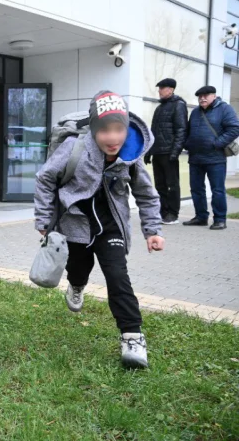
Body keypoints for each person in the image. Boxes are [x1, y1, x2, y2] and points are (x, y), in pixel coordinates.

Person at [34, 90, 164, 369]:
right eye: (105, 130)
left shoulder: (131, 154)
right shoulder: (74, 148)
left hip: (111, 227)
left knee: (117, 276)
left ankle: (132, 335)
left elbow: (145, 192)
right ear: (94, 129)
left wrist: (152, 229)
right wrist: (44, 221)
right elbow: (45, 178)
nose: (113, 137)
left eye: (119, 129)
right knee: (79, 269)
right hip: (75, 225)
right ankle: (77, 285)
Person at [182, 86, 239, 230]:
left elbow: (234, 128)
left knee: (217, 190)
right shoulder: (195, 112)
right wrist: (188, 144)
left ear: (214, 96)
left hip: (215, 158)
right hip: (195, 158)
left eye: (205, 95)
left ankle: (220, 219)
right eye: (199, 96)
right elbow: (188, 131)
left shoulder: (224, 109)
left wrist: (217, 144)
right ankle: (201, 217)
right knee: (196, 189)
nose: (202, 98)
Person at [145, 78, 187, 225]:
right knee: (160, 185)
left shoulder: (179, 105)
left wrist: (175, 153)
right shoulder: (159, 108)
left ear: (171, 89)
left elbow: (181, 130)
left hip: (169, 153)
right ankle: (163, 212)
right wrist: (149, 152)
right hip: (157, 152)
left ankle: (173, 214)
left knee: (172, 185)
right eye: (159, 88)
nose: (159, 90)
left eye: (162, 88)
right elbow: (153, 132)